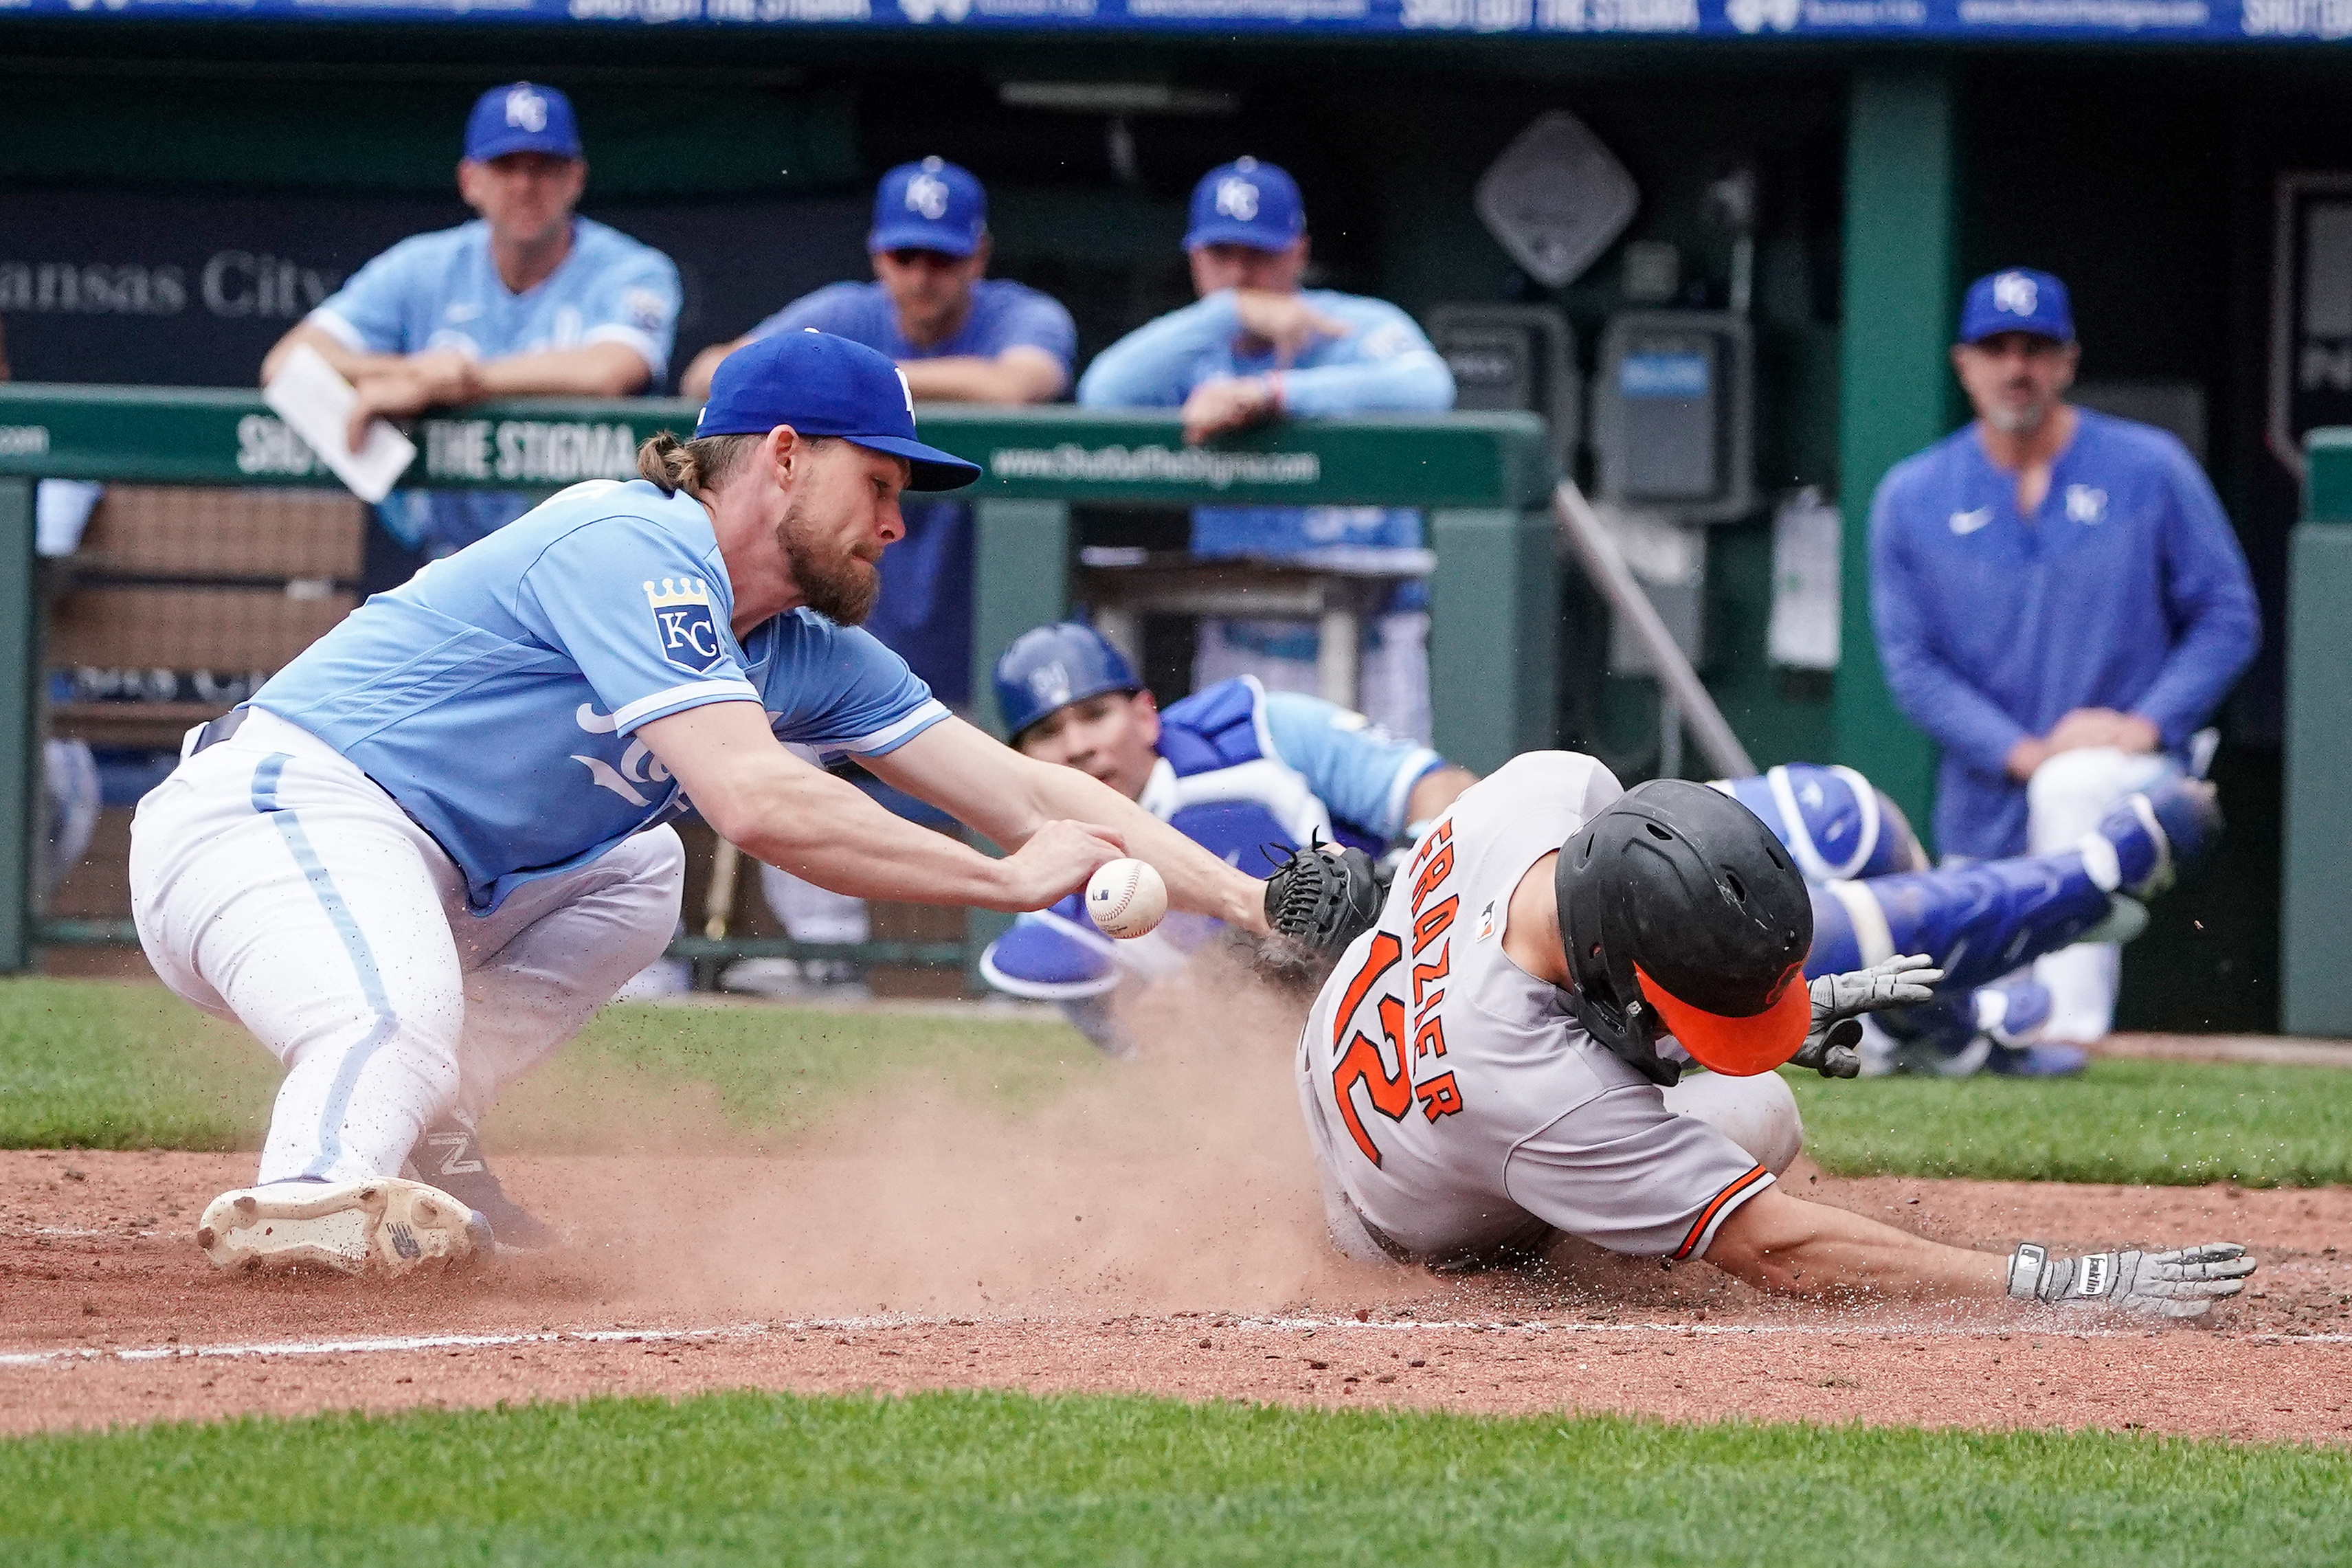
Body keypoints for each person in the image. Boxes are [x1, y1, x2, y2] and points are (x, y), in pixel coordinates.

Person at [133, 332, 1268, 1277]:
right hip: (268, 817)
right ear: (782, 455)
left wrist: (1251, 900)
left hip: (421, 870)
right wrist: (995, 881)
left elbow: (1026, 787)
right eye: (877, 483)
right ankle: (309, 1199)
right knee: (392, 1018)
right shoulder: (629, 540)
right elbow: (755, 799)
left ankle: (427, 1132)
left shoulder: (808, 651)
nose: (895, 523)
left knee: (638, 875)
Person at [1268, 757, 2254, 1319]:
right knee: (1760, 1114)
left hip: (1368, 1071)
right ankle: (1597, 1233)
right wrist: (2049, 1283)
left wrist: (1749, 1004)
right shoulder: (1530, 1086)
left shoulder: (1535, 793)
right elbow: (1777, 1249)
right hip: (1403, 1226)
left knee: (1702, 1086)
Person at [680, 157, 1077, 997]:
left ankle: (1024, 986)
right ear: (877, 254)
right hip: (843, 632)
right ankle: (826, 971)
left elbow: (1024, 382)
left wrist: (867, 395)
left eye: (942, 257)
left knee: (1005, 792)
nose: (922, 276)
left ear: (979, 257)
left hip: (972, 636)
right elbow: (710, 375)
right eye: (906, 256)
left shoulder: (1020, 314)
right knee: (784, 760)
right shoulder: (842, 313)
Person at [1871, 268, 2260, 1046]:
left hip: (2129, 777)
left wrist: (2146, 724)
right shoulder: (1912, 494)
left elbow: (2228, 616)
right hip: (1987, 793)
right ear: (1964, 363)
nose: (2018, 366)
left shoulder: (2149, 468)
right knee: (1960, 1012)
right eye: (1997, 347)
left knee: (2074, 783)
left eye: (2037, 347)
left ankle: (2068, 1037)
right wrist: (2021, 750)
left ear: (2068, 361)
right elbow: (1912, 665)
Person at [1076, 158, 1455, 743]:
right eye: (1221, 255)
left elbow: (1429, 388)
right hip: (1239, 642)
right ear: (1195, 258)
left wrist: (1271, 394)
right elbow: (1101, 393)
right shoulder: (1195, 353)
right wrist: (1226, 313)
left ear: (1298, 253)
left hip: (1375, 641)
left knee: (1392, 830)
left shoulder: (1349, 326)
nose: (1239, 272)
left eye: (1259, 255)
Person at [977, 621, 1475, 1054]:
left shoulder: (1258, 727)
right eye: (1046, 732)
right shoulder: (1049, 901)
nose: (1078, 747)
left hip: (1422, 982)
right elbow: (1149, 1061)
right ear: (1021, 761)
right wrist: (1161, 1032)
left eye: (1094, 715)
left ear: (1145, 715)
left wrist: (1398, 879)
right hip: (1290, 1065)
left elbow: (1445, 790)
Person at [260, 82, 682, 563]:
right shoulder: (422, 265)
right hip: (439, 560)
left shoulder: (632, 268)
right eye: (504, 167)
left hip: (584, 560)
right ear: (469, 180)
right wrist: (412, 374)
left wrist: (459, 381)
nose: (524, 185)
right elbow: (286, 361)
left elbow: (611, 370)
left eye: (544, 167)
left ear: (576, 178)